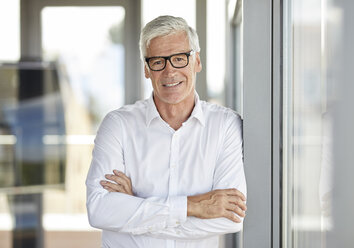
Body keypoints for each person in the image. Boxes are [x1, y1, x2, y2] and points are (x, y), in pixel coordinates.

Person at [86, 15, 247, 247]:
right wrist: (194, 206)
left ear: (197, 62)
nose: (170, 71)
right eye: (158, 61)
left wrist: (135, 207)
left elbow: (230, 219)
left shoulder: (225, 127)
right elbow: (99, 210)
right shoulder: (118, 125)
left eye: (179, 59)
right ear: (147, 69)